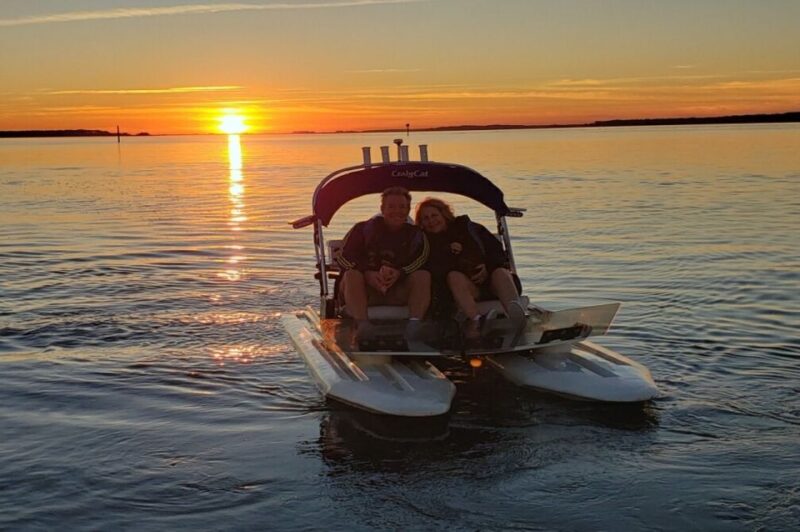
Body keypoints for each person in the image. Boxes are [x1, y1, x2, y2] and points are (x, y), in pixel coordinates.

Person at [415, 197, 526, 338]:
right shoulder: (423, 242)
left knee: (500, 272)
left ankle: (517, 317)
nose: (431, 221)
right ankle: (477, 321)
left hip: (490, 282)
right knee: (454, 277)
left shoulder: (470, 229)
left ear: (444, 215)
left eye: (434, 215)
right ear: (421, 223)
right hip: (463, 289)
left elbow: (497, 252)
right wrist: (447, 253)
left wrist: (488, 268)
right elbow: (432, 269)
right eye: (425, 218)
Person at [336, 187, 431, 329]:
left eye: (402, 207)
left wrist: (399, 273)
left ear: (408, 209)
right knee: (352, 275)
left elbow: (421, 260)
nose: (397, 211)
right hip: (364, 291)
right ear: (382, 209)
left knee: (423, 275)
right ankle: (363, 326)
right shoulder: (362, 229)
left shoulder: (416, 235)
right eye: (391, 206)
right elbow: (343, 257)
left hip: (397, 290)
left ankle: (414, 327)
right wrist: (367, 273)